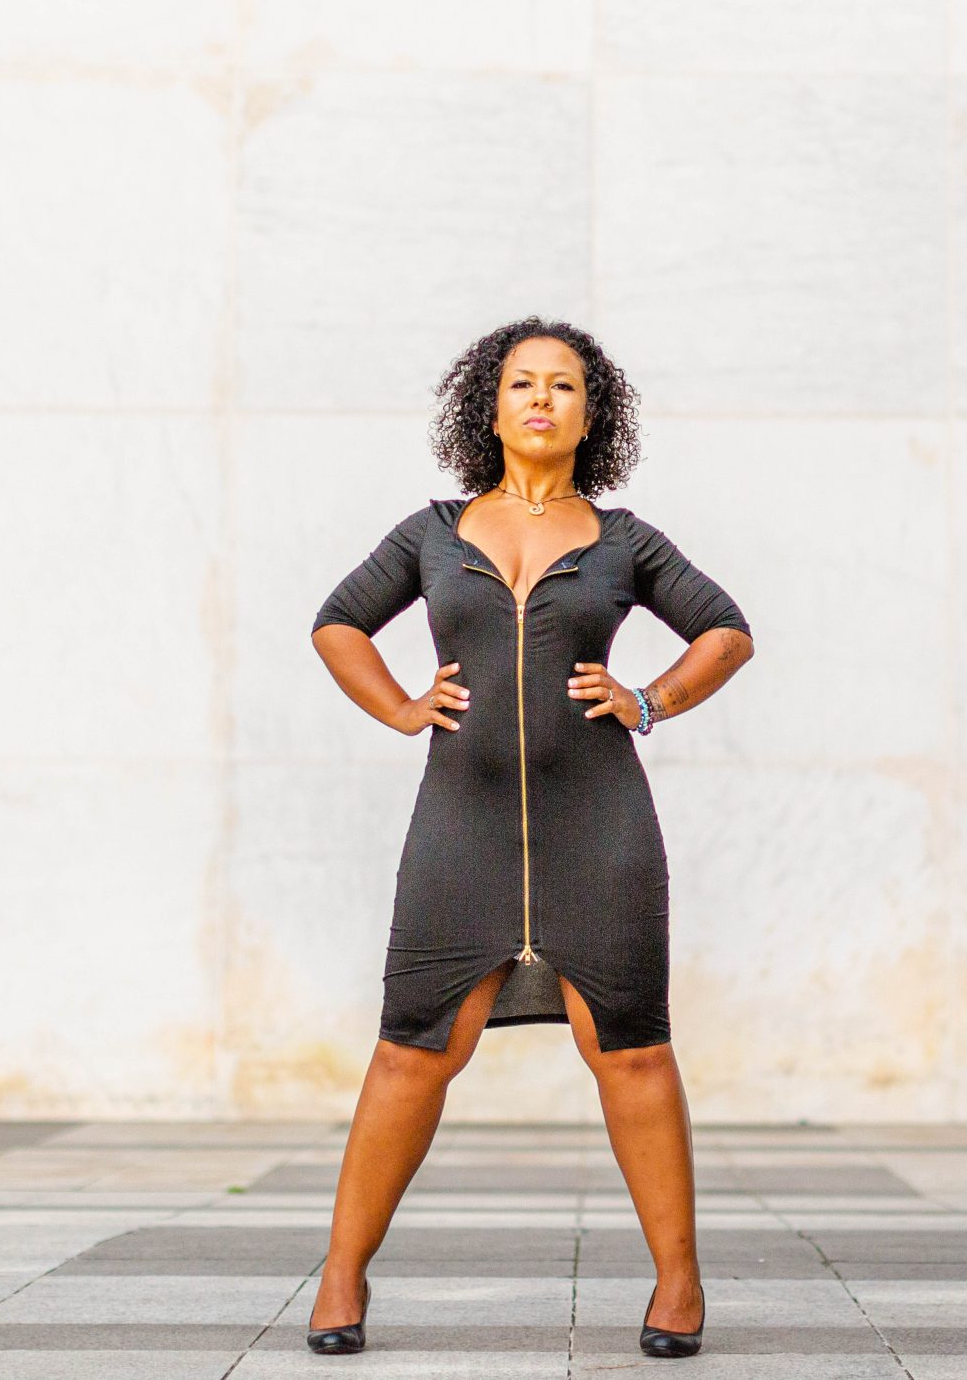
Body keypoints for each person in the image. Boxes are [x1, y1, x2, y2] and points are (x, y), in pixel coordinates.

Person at [303, 316, 755, 1359]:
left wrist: (648, 699)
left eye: (563, 385)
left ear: (591, 414)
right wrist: (399, 706)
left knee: (631, 1052)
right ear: (490, 407)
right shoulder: (432, 532)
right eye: (521, 384)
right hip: (457, 827)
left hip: (600, 827)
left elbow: (726, 630)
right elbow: (336, 620)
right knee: (412, 1050)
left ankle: (678, 1286)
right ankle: (338, 1278)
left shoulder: (624, 541)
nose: (541, 399)